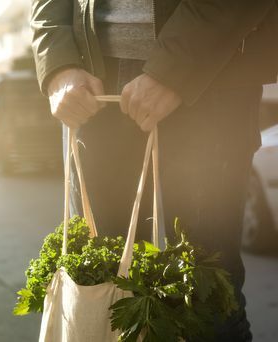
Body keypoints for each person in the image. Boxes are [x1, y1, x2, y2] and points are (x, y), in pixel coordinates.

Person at [31, 0, 278, 341]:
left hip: (213, 73)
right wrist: (58, 61)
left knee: (208, 304)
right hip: (92, 83)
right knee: (98, 294)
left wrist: (176, 66)